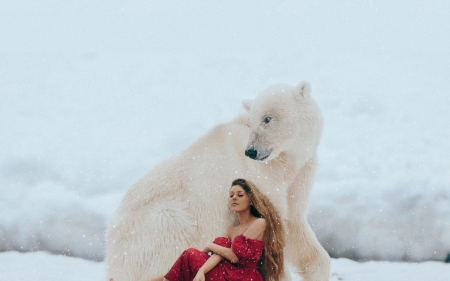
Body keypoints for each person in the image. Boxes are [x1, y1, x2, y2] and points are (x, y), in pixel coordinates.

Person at [149, 178, 285, 281]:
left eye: (240, 195)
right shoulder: (231, 230)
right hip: (225, 272)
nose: (234, 198)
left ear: (251, 200)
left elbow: (235, 256)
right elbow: (218, 256)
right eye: (231, 195)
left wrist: (210, 246)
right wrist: (202, 271)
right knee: (186, 261)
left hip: (243, 276)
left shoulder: (259, 223)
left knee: (189, 255)